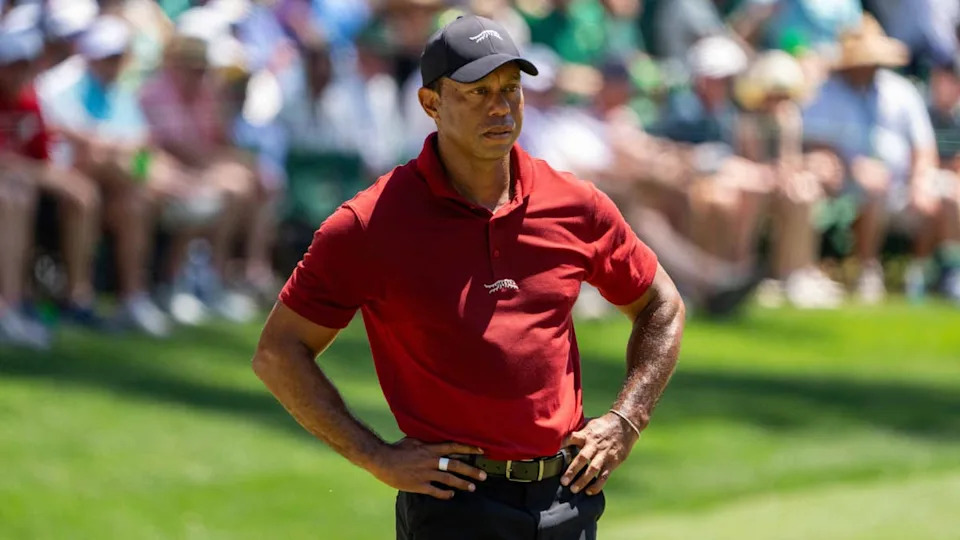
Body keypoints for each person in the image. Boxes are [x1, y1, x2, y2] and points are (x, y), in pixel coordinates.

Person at [253, 15, 685, 539]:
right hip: (453, 508)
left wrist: (626, 419)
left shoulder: (575, 204)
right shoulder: (371, 223)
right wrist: (375, 456)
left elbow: (662, 305)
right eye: (477, 91)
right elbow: (279, 352)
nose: (500, 107)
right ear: (431, 103)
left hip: (569, 497)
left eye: (510, 88)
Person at [803, 15, 958, 303]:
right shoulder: (827, 92)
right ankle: (867, 270)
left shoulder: (901, 91)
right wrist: (852, 165)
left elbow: (923, 147)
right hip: (844, 187)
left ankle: (928, 272)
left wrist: (919, 181)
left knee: (950, 193)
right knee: (874, 189)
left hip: (901, 187)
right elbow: (812, 141)